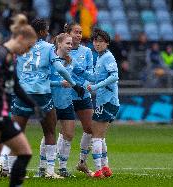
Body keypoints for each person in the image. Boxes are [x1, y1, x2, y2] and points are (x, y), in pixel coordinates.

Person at [11, 18, 85, 178]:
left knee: (16, 132)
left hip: (22, 92)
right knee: (50, 131)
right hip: (41, 93)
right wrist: (75, 85)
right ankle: (50, 171)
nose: (48, 32)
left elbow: (16, 69)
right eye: (46, 30)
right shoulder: (48, 47)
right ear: (42, 32)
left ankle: (11, 170)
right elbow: (60, 68)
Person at [0, 14, 39, 187]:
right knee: (25, 153)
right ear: (20, 38)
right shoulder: (0, 54)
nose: (27, 51)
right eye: (28, 46)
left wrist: (33, 105)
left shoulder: (9, 56)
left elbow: (16, 86)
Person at [87, 28, 120, 178]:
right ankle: (105, 168)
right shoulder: (100, 57)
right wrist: (80, 75)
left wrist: (96, 87)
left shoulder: (108, 57)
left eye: (100, 41)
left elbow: (114, 76)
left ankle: (98, 170)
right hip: (104, 100)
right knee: (100, 135)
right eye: (95, 41)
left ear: (106, 43)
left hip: (107, 100)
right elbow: (95, 77)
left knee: (96, 135)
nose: (97, 44)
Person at [63, 22, 94, 176]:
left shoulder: (87, 51)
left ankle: (82, 162)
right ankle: (59, 165)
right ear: (68, 33)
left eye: (81, 32)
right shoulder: (61, 51)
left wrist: (86, 86)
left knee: (90, 129)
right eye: (76, 32)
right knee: (65, 132)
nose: (79, 35)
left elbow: (90, 72)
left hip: (83, 95)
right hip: (66, 95)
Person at [50, 33, 76, 177]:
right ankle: (45, 168)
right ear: (59, 44)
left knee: (69, 134)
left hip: (66, 103)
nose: (70, 46)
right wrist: (59, 83)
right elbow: (44, 82)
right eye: (67, 43)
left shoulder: (71, 61)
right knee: (49, 135)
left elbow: (80, 75)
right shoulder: (51, 60)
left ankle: (63, 168)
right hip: (52, 103)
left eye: (71, 44)